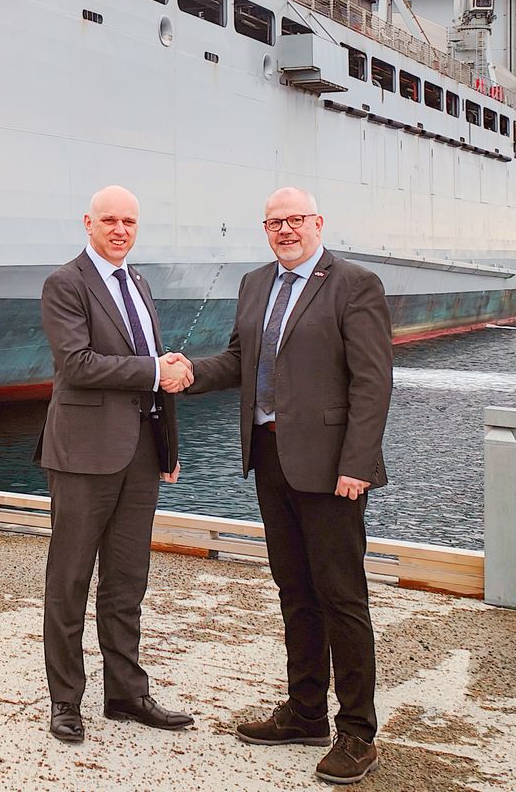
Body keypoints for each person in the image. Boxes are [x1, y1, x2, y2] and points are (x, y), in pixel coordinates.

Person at [186, 187, 391, 785]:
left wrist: (357, 462)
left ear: (317, 223)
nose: (285, 230)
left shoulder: (354, 284)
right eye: (274, 222)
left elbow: (372, 383)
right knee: (294, 589)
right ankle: (306, 712)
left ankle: (358, 732)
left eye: (295, 220)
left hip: (332, 467)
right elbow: (237, 360)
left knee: (342, 596)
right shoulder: (256, 285)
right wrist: (187, 373)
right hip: (270, 457)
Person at [35, 185, 195, 744]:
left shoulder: (139, 283)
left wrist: (167, 448)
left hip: (139, 456)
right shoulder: (65, 283)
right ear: (88, 223)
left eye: (129, 220)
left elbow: (151, 376)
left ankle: (126, 694)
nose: (120, 229)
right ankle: (65, 701)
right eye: (110, 220)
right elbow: (77, 365)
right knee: (70, 579)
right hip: (83, 455)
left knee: (128, 581)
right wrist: (155, 370)